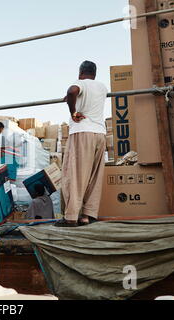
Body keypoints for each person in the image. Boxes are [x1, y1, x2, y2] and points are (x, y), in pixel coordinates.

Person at [55, 60, 107, 227]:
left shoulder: (80, 83)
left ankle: (70, 217)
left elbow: (72, 91)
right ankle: (87, 215)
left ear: (80, 72)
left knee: (75, 174)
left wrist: (73, 112)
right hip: (100, 133)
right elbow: (80, 96)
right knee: (94, 175)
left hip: (82, 131)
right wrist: (71, 99)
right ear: (95, 73)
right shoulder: (102, 87)